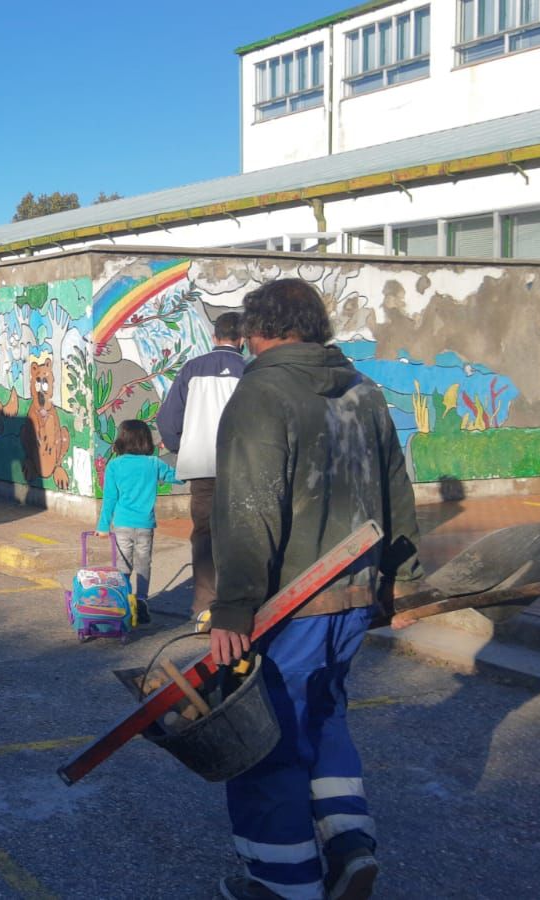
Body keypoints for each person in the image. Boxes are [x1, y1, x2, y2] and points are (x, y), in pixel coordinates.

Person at [207, 279, 422, 900]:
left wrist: (233, 608)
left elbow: (250, 509)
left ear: (259, 330)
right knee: (325, 719)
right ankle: (350, 847)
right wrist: (401, 581)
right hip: (352, 597)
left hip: (289, 605)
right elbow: (396, 488)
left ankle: (283, 885)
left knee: (265, 741)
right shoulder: (364, 391)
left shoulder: (262, 391)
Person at [156, 311, 245, 633]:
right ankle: (237, 606)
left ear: (214, 336)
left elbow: (167, 420)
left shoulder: (192, 368)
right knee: (238, 535)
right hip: (240, 466)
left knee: (204, 535)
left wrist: (184, 445)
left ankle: (204, 608)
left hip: (201, 468)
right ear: (243, 339)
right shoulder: (248, 370)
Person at [94, 419, 179, 608]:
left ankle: (123, 601)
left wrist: (102, 527)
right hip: (145, 524)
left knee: (123, 565)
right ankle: (141, 601)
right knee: (143, 564)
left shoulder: (115, 466)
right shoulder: (154, 463)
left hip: (122, 523)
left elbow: (110, 499)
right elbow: (177, 477)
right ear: (146, 440)